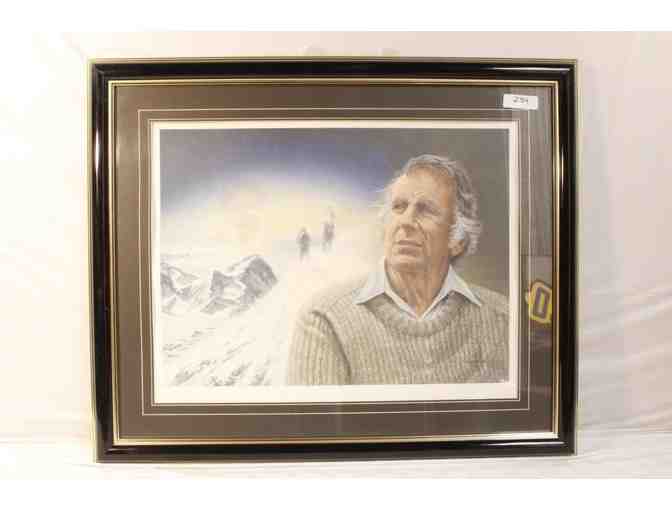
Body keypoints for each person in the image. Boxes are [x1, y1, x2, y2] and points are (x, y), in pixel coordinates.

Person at [287, 154, 508, 385]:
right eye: (399, 207)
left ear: (458, 240)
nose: (405, 221)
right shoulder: (325, 319)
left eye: (426, 210)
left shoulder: (503, 319)